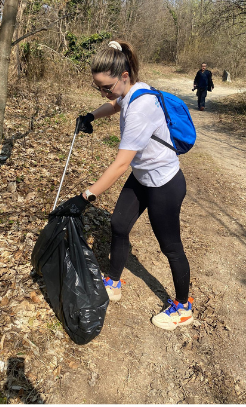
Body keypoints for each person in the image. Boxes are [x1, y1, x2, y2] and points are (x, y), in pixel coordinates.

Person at [76, 40, 193, 330]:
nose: (104, 93)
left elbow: (119, 164)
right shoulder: (132, 90)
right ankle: (113, 282)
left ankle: (183, 308)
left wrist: (87, 195)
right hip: (142, 177)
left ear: (124, 76)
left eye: (106, 87)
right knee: (118, 224)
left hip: (164, 184)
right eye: (98, 88)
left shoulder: (141, 107)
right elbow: (116, 104)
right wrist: (91, 115)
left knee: (171, 247)